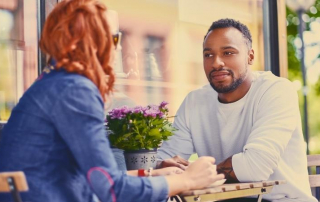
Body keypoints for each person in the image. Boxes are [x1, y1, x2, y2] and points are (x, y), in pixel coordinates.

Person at [0, 1, 224, 202]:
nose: (118, 47)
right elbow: (112, 190)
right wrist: (188, 181)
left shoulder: (52, 84)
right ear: (94, 43)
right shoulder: (74, 90)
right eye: (115, 38)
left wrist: (152, 174)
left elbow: (88, 177)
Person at [157, 18, 317, 202]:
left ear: (250, 56)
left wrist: (197, 173)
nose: (216, 63)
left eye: (228, 52)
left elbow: (255, 167)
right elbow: (165, 160)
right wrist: (166, 165)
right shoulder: (194, 101)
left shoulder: (277, 90)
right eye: (208, 55)